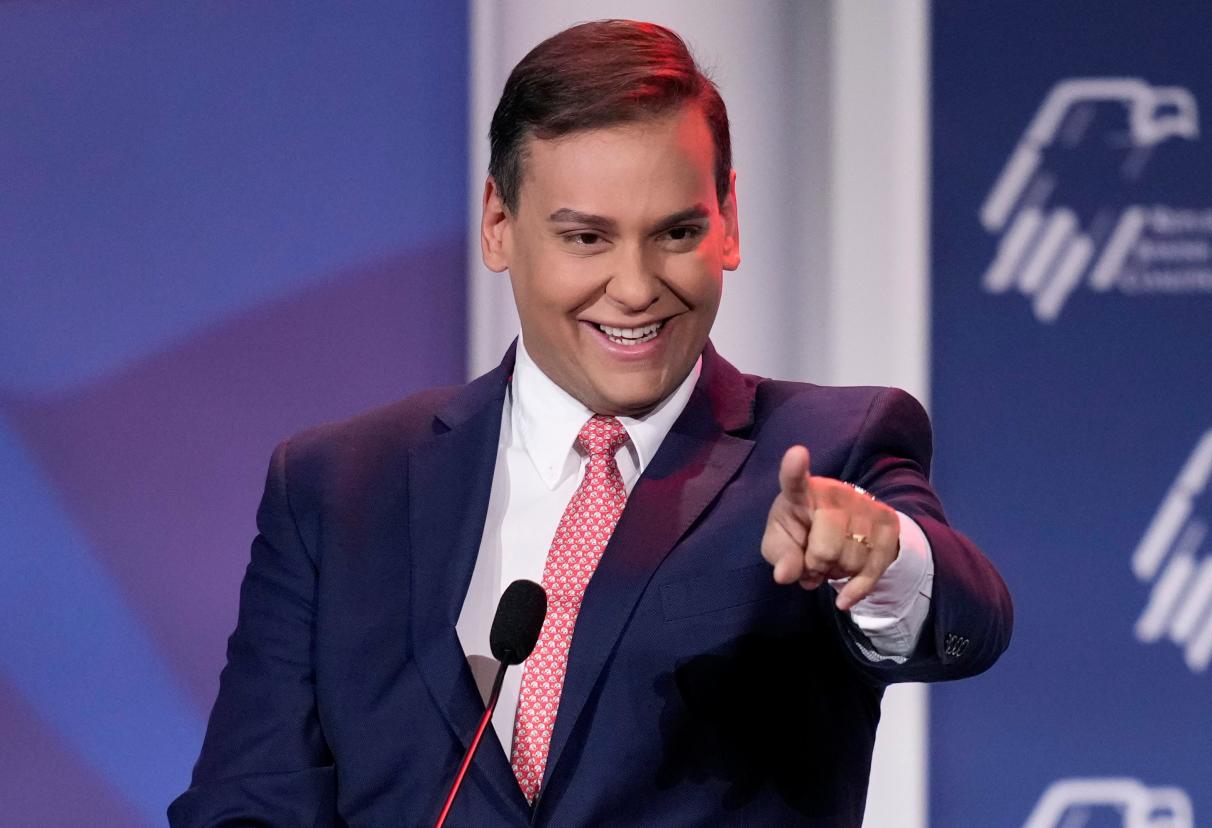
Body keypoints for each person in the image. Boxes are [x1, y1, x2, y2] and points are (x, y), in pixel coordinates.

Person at [170, 19, 1011, 827]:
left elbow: (967, 619)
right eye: (587, 238)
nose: (637, 286)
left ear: (729, 221)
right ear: (500, 225)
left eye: (676, 232)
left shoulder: (829, 448)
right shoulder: (338, 486)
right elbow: (251, 798)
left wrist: (881, 556)